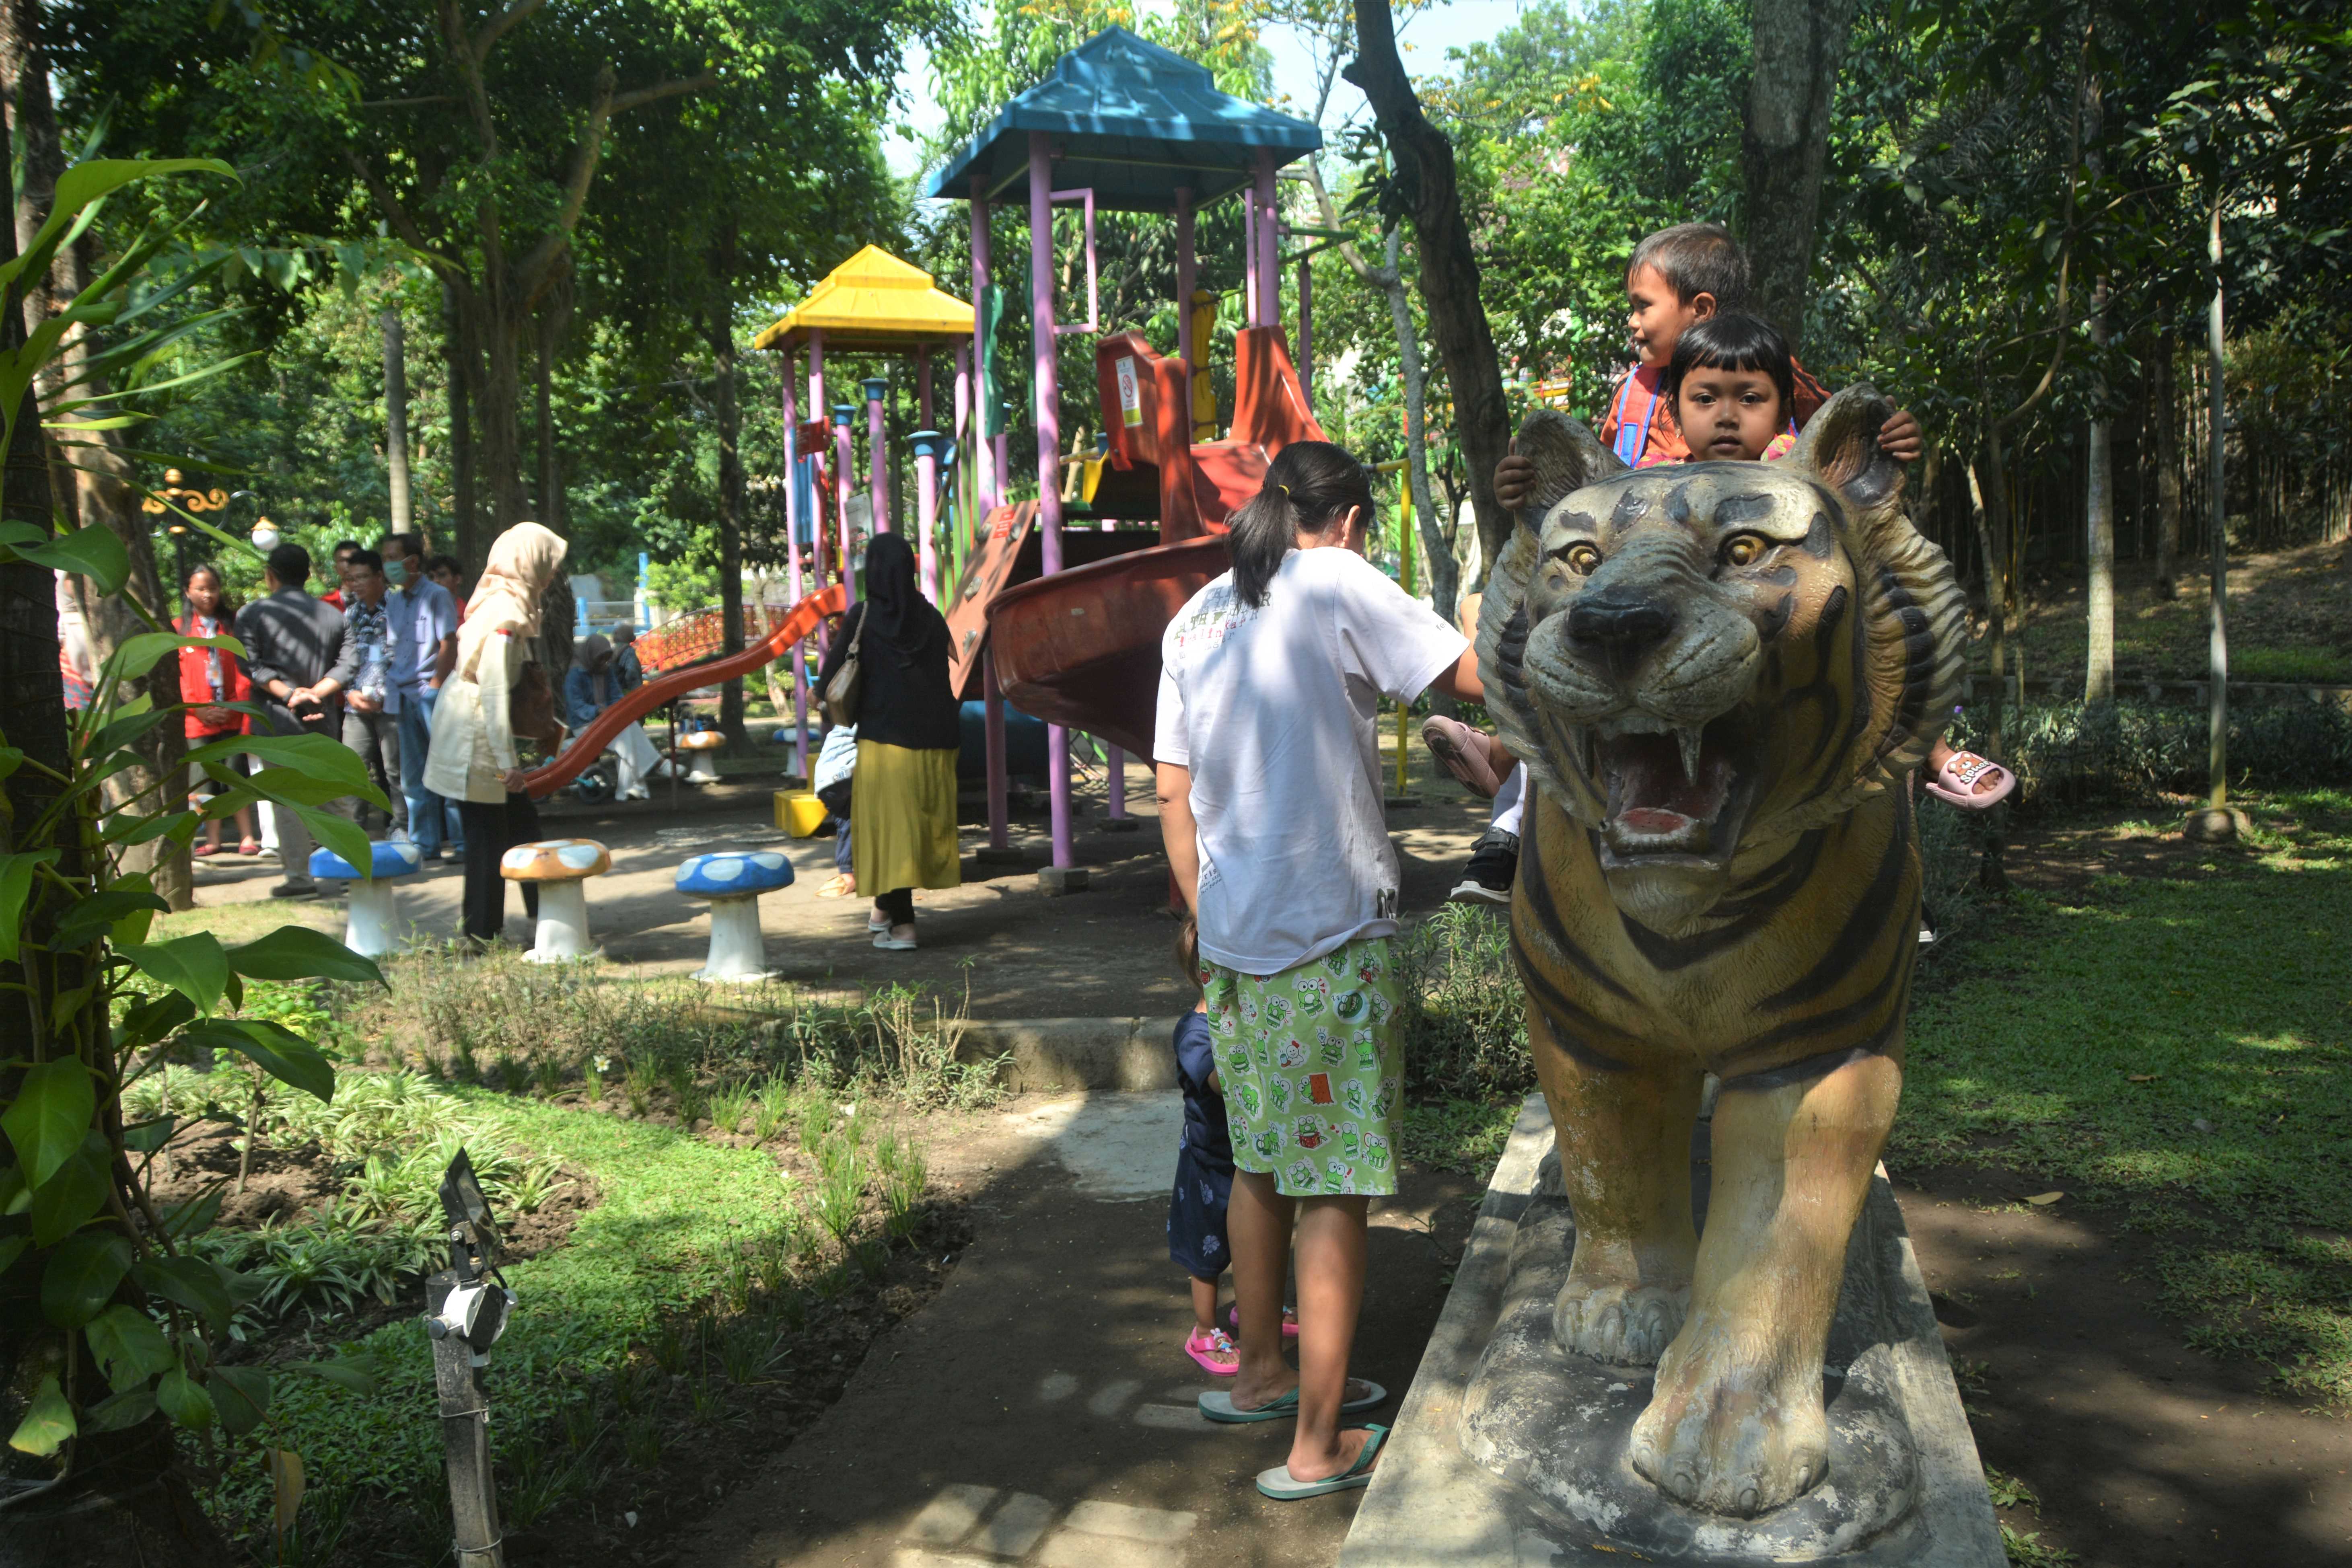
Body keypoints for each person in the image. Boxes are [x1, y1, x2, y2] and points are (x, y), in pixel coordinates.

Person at [1154, 441, 1485, 1500]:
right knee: (1334, 1182)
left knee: (1257, 1165)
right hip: (1325, 936)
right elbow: (1467, 675)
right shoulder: (1335, 578)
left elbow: (1171, 792)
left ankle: (1256, 1372)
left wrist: (1204, 920)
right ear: (1345, 519)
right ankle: (1314, 1444)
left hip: (1236, 941)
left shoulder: (1191, 615)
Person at [1433, 224, 1928, 903]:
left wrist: (1889, 437)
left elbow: (1843, 436)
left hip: (1735, 602)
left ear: (1697, 309)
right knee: (1544, 655)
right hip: (1633, 594)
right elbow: (1593, 488)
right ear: (1678, 404)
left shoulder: (1765, 369)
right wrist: (1525, 492)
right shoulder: (1635, 395)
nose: (1632, 322)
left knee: (1879, 663)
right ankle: (1508, 818)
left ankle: (1916, 820)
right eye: (1703, 400)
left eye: (1642, 305)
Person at [813, 532, 960, 951]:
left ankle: (906, 927)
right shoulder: (931, 617)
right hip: (938, 742)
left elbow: (828, 682)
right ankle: (882, 911)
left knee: (890, 835)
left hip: (888, 742)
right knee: (914, 831)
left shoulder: (864, 615)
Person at [424, 523, 568, 947]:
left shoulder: (504, 602)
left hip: (476, 725)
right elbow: (492, 692)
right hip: (476, 733)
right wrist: (509, 765)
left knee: (522, 827)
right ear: (530, 561)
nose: (552, 573)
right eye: (549, 563)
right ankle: (481, 934)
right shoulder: (506, 613)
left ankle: (545, 918)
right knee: (488, 837)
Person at [234, 542, 356, 898]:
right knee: (333, 794)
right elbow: (349, 663)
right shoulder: (334, 615)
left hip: (276, 721)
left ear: (270, 575)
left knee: (287, 800)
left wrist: (291, 695)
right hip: (322, 719)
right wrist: (317, 691)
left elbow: (251, 665)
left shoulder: (252, 614)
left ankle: (300, 879)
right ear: (307, 575)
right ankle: (352, 869)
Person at [379, 531, 461, 860]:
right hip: (402, 694)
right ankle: (425, 845)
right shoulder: (394, 600)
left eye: (391, 558)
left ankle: (461, 843)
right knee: (413, 776)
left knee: (447, 767)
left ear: (412, 562)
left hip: (431, 692)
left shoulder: (438, 595)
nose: (388, 565)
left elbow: (449, 643)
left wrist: (437, 686)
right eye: (385, 558)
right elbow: (392, 647)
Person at [175, 564, 259, 857]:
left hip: (232, 714)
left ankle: (247, 836)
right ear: (188, 592)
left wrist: (233, 706)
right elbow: (179, 677)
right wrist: (198, 710)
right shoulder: (179, 629)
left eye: (212, 587)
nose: (207, 594)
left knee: (236, 774)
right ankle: (211, 838)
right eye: (200, 588)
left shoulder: (233, 625)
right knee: (201, 778)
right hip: (197, 719)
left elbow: (244, 669)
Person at [337, 549, 408, 839]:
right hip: (355, 705)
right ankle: (350, 832)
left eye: (363, 577)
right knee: (349, 770)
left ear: (380, 576)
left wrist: (385, 696)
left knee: (397, 771)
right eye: (351, 578)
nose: (357, 584)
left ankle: (402, 827)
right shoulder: (349, 614)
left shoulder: (400, 607)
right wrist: (348, 693)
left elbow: (410, 656)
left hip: (392, 703)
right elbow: (341, 660)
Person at [562, 631, 658, 800]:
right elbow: (576, 707)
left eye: (607, 658)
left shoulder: (606, 671)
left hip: (606, 720)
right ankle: (645, 777)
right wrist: (598, 711)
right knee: (625, 735)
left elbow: (616, 696)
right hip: (583, 724)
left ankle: (628, 789)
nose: (605, 663)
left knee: (627, 730)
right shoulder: (575, 674)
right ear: (592, 655)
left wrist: (617, 710)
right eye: (601, 658)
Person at [320, 538, 363, 610]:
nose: (348, 564)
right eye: (342, 560)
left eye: (354, 559)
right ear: (335, 568)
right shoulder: (326, 603)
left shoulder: (377, 598)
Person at [611, 623, 644, 694]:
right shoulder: (629, 651)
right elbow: (632, 671)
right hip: (626, 692)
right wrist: (637, 691)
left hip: (615, 691)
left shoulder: (613, 649)